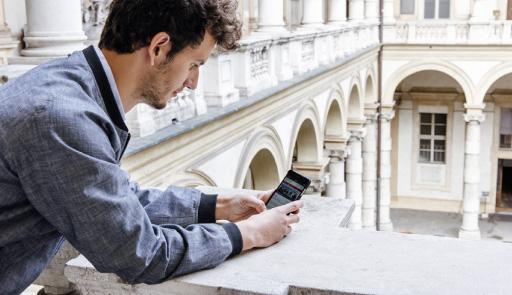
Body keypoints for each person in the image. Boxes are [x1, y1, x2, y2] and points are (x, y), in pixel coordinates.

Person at [0, 0, 303, 293]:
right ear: (159, 48)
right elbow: (139, 253)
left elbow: (115, 199)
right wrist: (247, 234)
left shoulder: (68, 88)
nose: (194, 82)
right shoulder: (62, 119)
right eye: (194, 64)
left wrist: (219, 206)